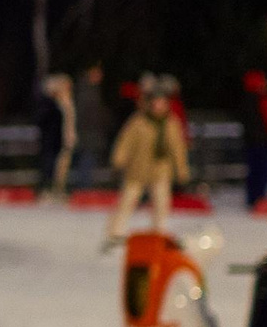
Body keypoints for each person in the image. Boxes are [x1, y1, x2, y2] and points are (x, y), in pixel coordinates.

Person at [107, 76, 189, 243]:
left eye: (161, 102)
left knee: (161, 205)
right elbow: (125, 141)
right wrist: (118, 160)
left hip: (160, 170)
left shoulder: (171, 123)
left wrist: (181, 170)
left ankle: (158, 235)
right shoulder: (139, 121)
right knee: (127, 202)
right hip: (137, 170)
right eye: (155, 102)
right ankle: (114, 235)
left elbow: (177, 149)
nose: (158, 106)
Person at [239, 70, 267, 210]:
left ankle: (252, 198)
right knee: (263, 171)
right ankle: (260, 200)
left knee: (252, 170)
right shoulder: (262, 98)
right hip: (263, 141)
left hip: (250, 141)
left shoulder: (245, 99)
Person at [35, 71, 77, 199]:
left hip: (64, 139)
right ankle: (51, 189)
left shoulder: (67, 101)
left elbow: (70, 121)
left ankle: (58, 188)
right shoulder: (52, 103)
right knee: (52, 165)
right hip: (54, 140)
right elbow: (49, 121)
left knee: (62, 166)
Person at [73, 62, 110, 191]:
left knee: (89, 161)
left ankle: (86, 187)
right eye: (97, 73)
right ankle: (84, 189)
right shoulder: (86, 91)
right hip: (87, 133)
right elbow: (83, 114)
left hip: (92, 133)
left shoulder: (93, 90)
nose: (100, 76)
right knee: (86, 162)